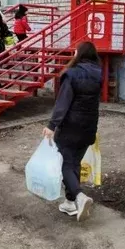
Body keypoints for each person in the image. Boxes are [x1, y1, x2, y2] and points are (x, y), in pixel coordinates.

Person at [43, 42, 102, 222]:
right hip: (89, 126)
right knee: (74, 162)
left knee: (66, 164)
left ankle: (79, 196)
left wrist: (52, 125)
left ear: (79, 54)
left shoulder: (72, 74)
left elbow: (63, 102)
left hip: (70, 127)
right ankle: (70, 203)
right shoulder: (99, 75)